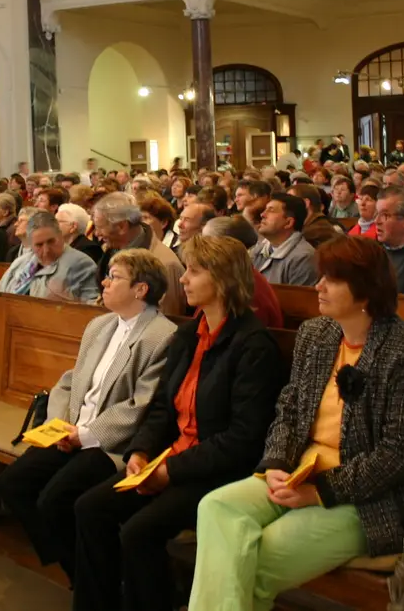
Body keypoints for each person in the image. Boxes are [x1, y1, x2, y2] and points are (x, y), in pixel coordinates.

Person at [188, 236, 404, 610]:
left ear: (366, 291)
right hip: (298, 473)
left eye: (331, 280)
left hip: (366, 498)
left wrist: (321, 491)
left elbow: (400, 452)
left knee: (249, 560)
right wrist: (275, 463)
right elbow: (289, 409)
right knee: (216, 506)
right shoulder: (316, 334)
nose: (317, 286)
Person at [72, 235, 286, 611]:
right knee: (90, 507)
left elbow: (242, 439)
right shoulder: (189, 334)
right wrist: (140, 451)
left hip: (215, 471)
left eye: (193, 271)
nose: (182, 279)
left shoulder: (253, 346)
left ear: (222, 279)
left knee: (140, 532)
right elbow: (162, 410)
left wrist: (170, 471)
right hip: (172, 458)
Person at [0, 249, 179, 581]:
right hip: (73, 430)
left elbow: (142, 405)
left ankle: (95, 579)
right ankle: (80, 571)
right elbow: (72, 380)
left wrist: (82, 435)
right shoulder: (100, 324)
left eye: (115, 276)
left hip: (111, 443)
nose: (105, 282)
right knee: (14, 483)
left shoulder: (161, 335)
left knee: (55, 500)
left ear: (140, 290)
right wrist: (59, 425)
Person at [93, 192, 186, 318]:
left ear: (121, 227)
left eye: (100, 227)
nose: (97, 233)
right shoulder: (113, 248)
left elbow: (166, 321)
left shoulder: (165, 265)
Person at [0, 210, 100, 301]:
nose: (46, 250)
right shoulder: (21, 262)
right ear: (31, 244)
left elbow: (91, 306)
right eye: (39, 245)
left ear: (60, 236)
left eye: (51, 242)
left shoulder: (81, 264)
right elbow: (0, 294)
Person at [204, 215, 283, 330]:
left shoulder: (247, 288)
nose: (201, 251)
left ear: (226, 248)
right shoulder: (228, 277)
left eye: (206, 245)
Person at [252, 193, 319, 287]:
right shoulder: (259, 249)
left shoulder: (303, 258)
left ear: (288, 223)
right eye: (265, 210)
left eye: (271, 210)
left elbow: (297, 300)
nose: (262, 214)